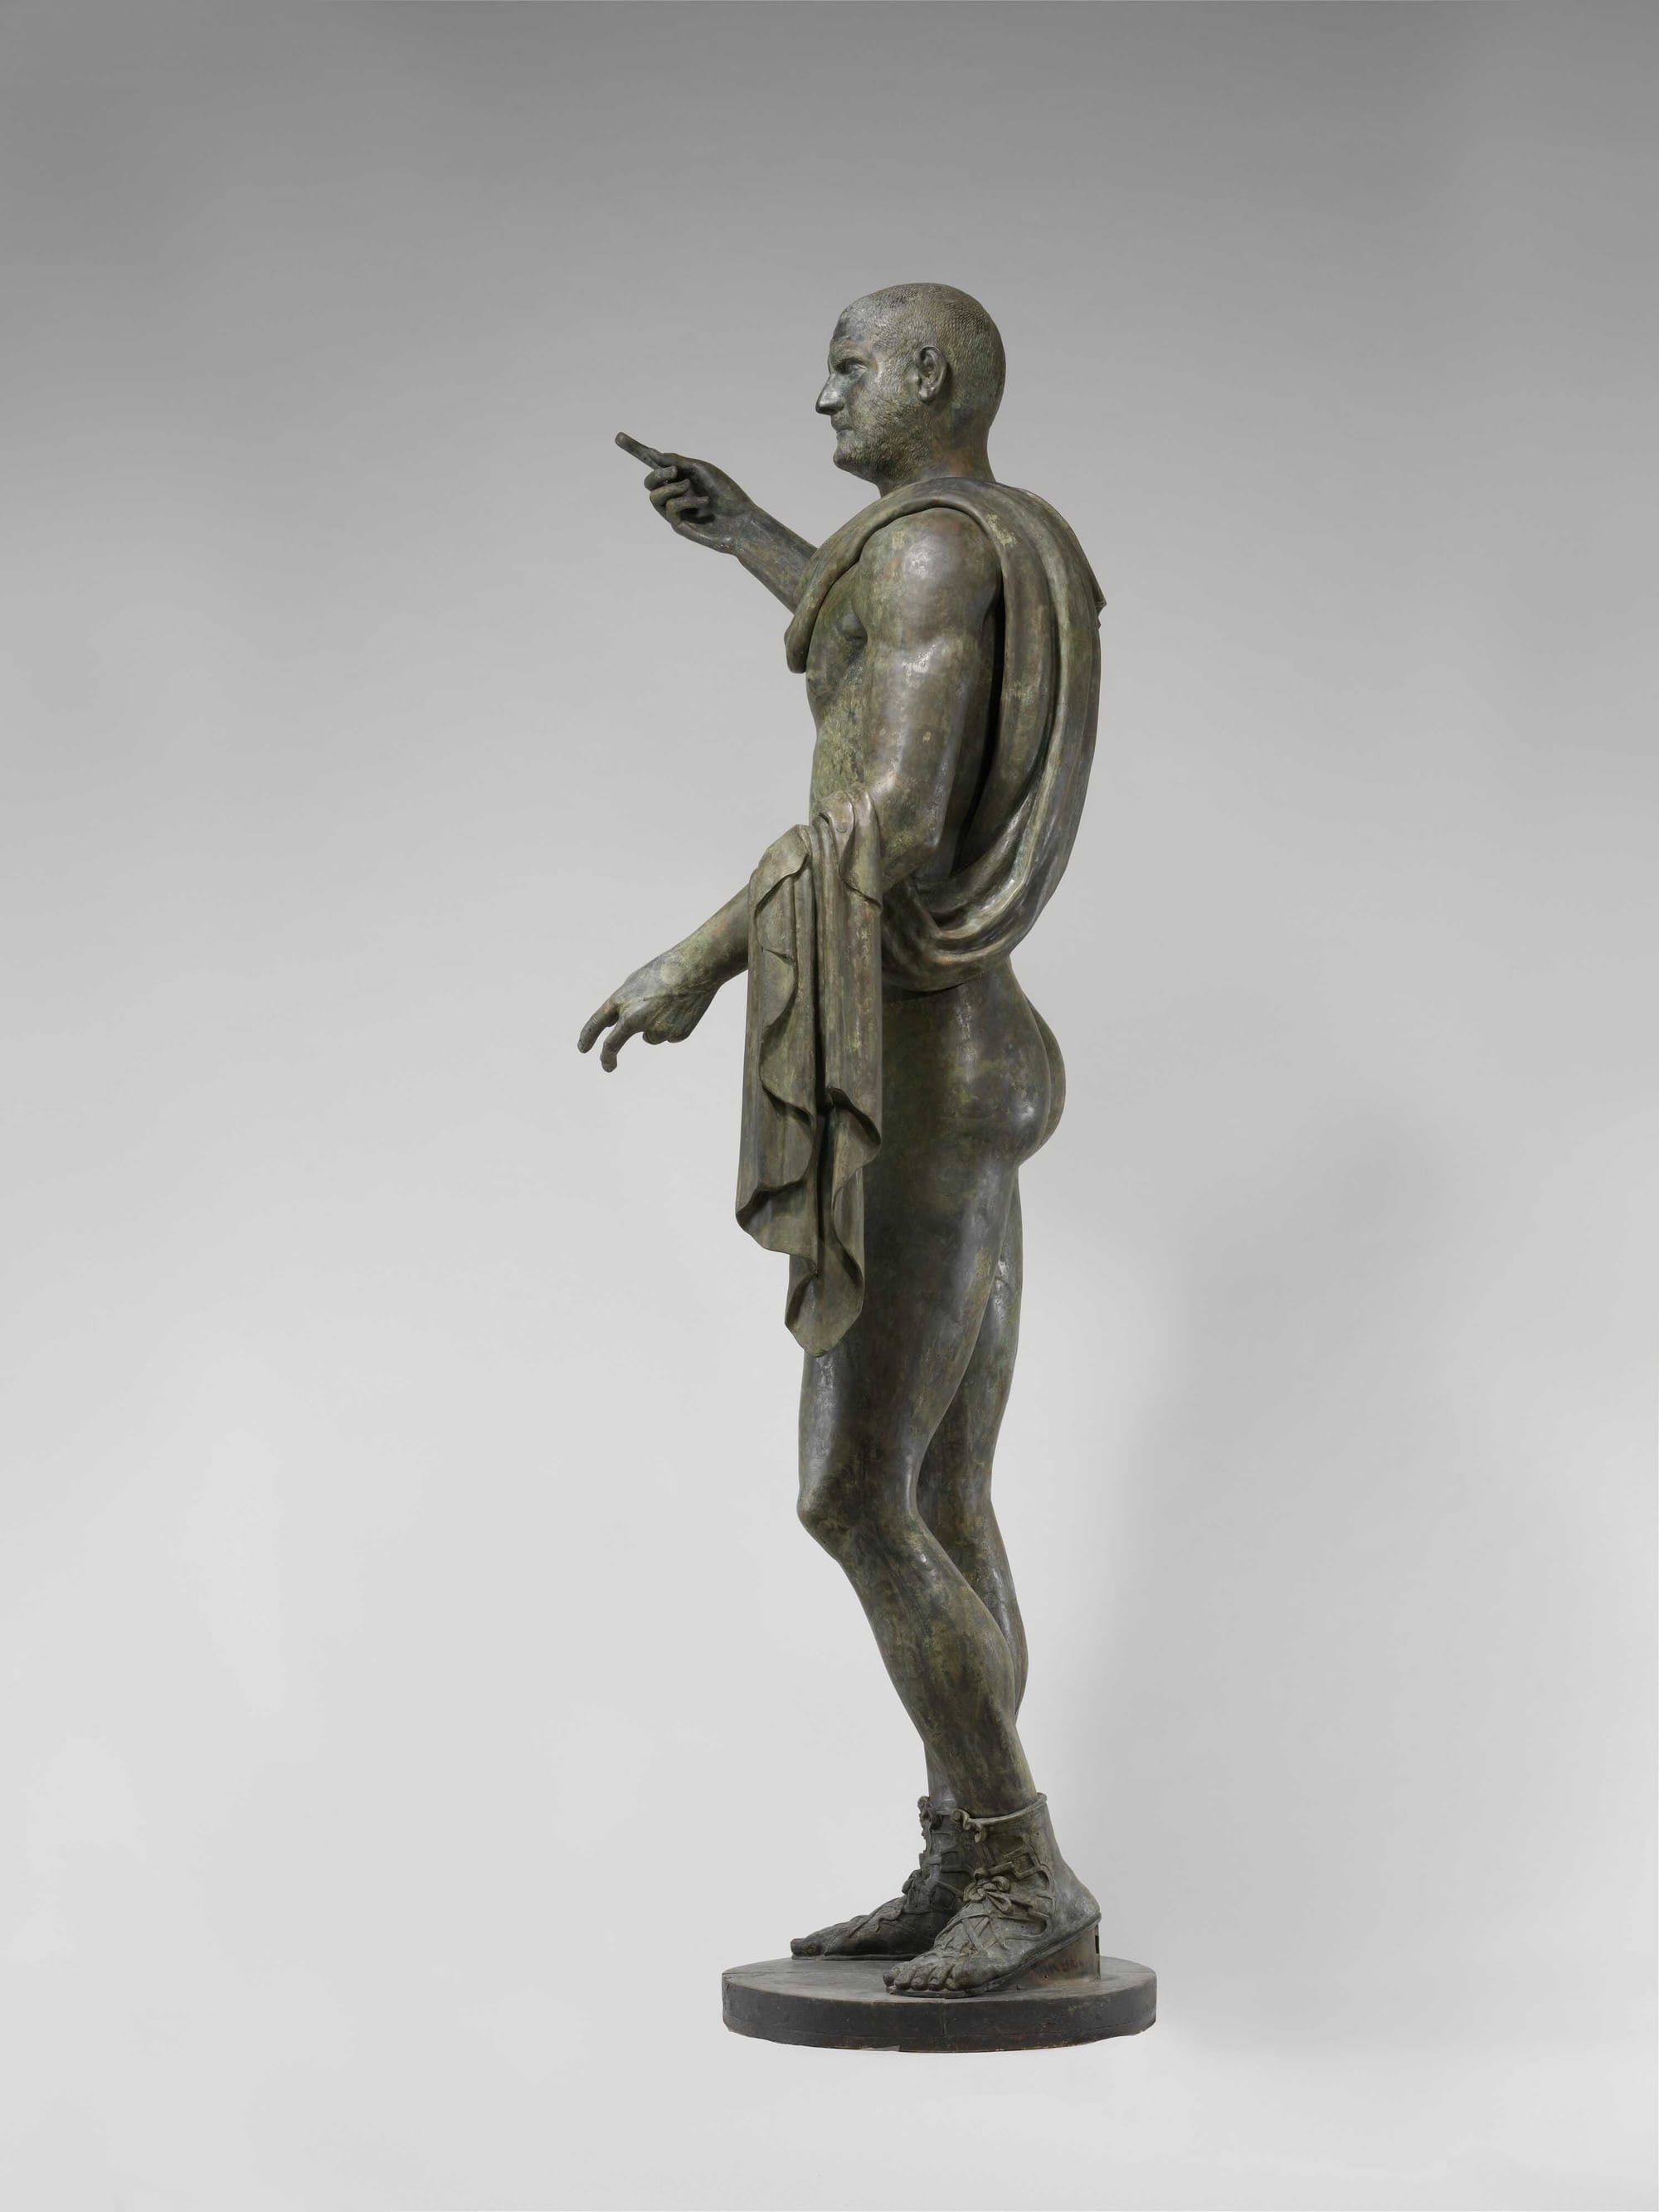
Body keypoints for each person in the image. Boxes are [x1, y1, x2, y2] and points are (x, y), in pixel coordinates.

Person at [579, 284, 1105, 1996]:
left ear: (927, 376)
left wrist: (696, 959)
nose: (823, 398)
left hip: (923, 1060)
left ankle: (1019, 1863)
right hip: (973, 1045)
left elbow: (887, 812)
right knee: (939, 1488)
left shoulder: (939, 551)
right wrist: (748, 534)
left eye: (847, 368)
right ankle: (966, 1849)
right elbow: (876, 644)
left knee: (852, 1494)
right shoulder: (971, 540)